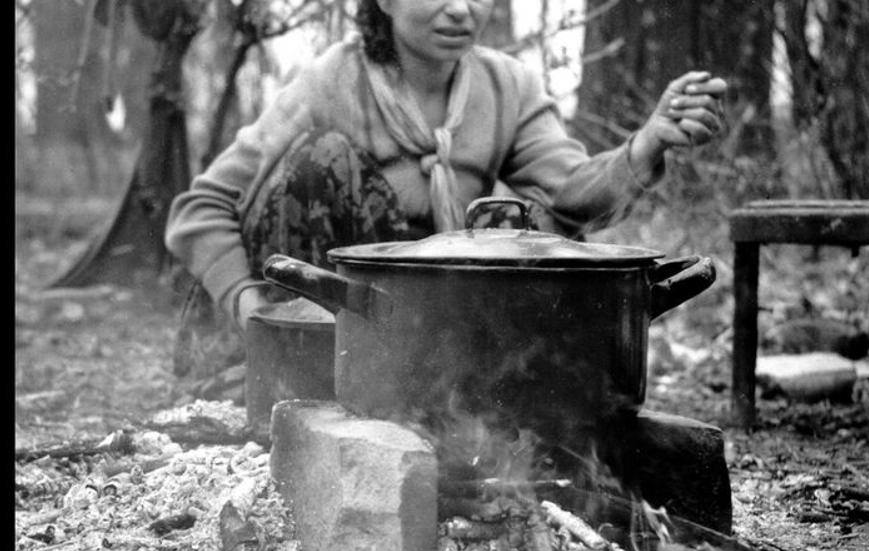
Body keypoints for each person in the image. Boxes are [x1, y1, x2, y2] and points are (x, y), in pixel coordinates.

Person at [164, 0, 727, 380]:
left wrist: (649, 142)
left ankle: (449, 394)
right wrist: (246, 301)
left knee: (521, 226)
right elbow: (200, 208)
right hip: (312, 311)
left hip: (416, 318)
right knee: (322, 160)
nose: (461, 9)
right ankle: (297, 380)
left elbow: (571, 197)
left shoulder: (506, 85)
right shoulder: (330, 81)